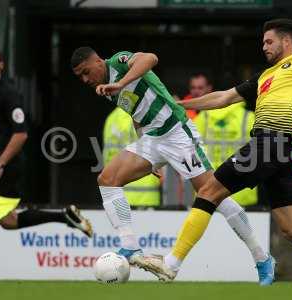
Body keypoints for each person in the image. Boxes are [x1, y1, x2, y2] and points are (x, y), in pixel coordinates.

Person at [143, 19, 292, 286]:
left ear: (286, 41)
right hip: (280, 150)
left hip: (270, 143)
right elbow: (222, 98)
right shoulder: (265, 76)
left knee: (208, 191)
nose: (264, 47)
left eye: (269, 41)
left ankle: (171, 264)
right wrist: (181, 104)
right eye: (263, 42)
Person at [71, 47, 274, 284]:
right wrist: (144, 151)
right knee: (107, 179)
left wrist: (121, 83)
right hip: (153, 139)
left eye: (86, 72)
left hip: (178, 133)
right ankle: (130, 247)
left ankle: (262, 258)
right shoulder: (105, 89)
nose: (85, 80)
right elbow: (136, 111)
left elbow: (150, 58)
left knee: (213, 195)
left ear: (97, 61)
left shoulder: (118, 62)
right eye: (80, 77)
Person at [0, 45, 92, 280]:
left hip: (6, 166)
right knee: (8, 222)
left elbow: (20, 133)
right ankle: (64, 216)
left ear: (1, 65)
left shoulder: (7, 94)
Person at [194, 101, 258, 206]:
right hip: (241, 192)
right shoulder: (248, 117)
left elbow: (191, 149)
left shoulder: (203, 117)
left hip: (208, 189)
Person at [103, 107, 160, 206]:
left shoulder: (111, 118)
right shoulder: (144, 115)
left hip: (118, 190)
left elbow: (107, 155)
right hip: (146, 192)